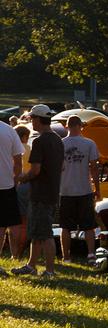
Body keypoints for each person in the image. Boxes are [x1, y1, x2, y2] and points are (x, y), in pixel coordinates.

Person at [12, 104, 64, 277]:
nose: (31, 122)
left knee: (45, 233)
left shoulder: (40, 141)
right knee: (36, 232)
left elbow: (35, 170)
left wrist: (20, 178)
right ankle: (31, 265)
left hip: (41, 193)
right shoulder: (57, 139)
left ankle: (49, 270)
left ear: (38, 119)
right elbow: (61, 166)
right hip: (52, 191)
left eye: (32, 118)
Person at [58, 115, 101, 265]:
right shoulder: (89, 143)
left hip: (65, 190)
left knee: (65, 226)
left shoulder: (60, 144)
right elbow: (94, 168)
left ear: (67, 126)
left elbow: (57, 168)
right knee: (89, 225)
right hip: (84, 189)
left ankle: (66, 257)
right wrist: (97, 188)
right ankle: (90, 254)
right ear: (80, 126)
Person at [0, 121, 24, 272]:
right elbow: (18, 162)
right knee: (13, 224)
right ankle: (16, 256)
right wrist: (15, 181)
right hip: (7, 184)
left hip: (7, 184)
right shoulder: (9, 130)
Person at [11, 125, 31, 258]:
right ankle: (20, 250)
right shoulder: (28, 148)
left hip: (12, 184)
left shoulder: (11, 147)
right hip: (26, 184)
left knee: (12, 221)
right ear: (24, 136)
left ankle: (14, 251)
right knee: (23, 221)